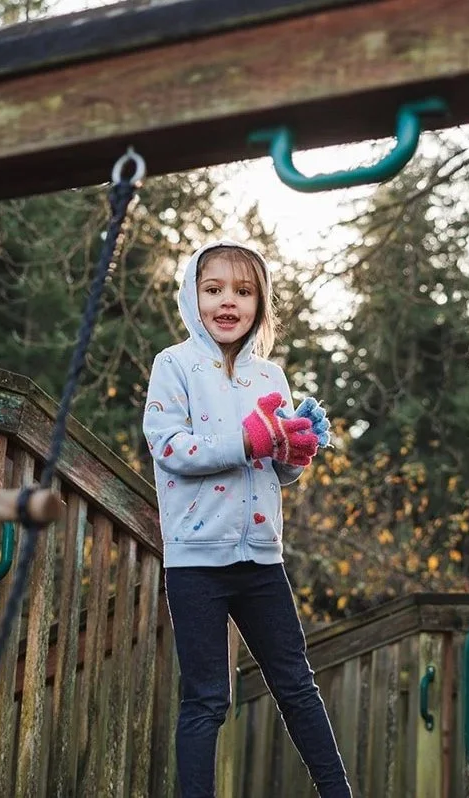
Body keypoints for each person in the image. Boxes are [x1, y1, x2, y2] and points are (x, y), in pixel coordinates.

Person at [142, 240, 352, 797]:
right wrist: (250, 438)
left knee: (297, 687)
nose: (227, 302)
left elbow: (275, 470)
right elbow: (172, 449)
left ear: (260, 303)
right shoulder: (173, 365)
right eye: (214, 290)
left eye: (243, 291)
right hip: (196, 562)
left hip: (262, 557)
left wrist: (294, 453)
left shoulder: (271, 377)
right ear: (193, 297)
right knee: (207, 698)